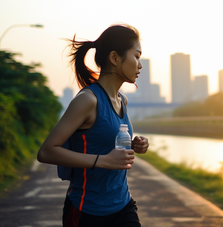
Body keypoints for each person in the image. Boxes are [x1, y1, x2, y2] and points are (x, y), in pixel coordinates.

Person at [37, 24, 149, 227]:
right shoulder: (88, 100)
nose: (140, 65)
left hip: (123, 204)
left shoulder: (122, 100)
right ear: (114, 58)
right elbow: (46, 152)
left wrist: (135, 144)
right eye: (137, 56)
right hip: (86, 210)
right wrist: (103, 160)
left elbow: (106, 139)